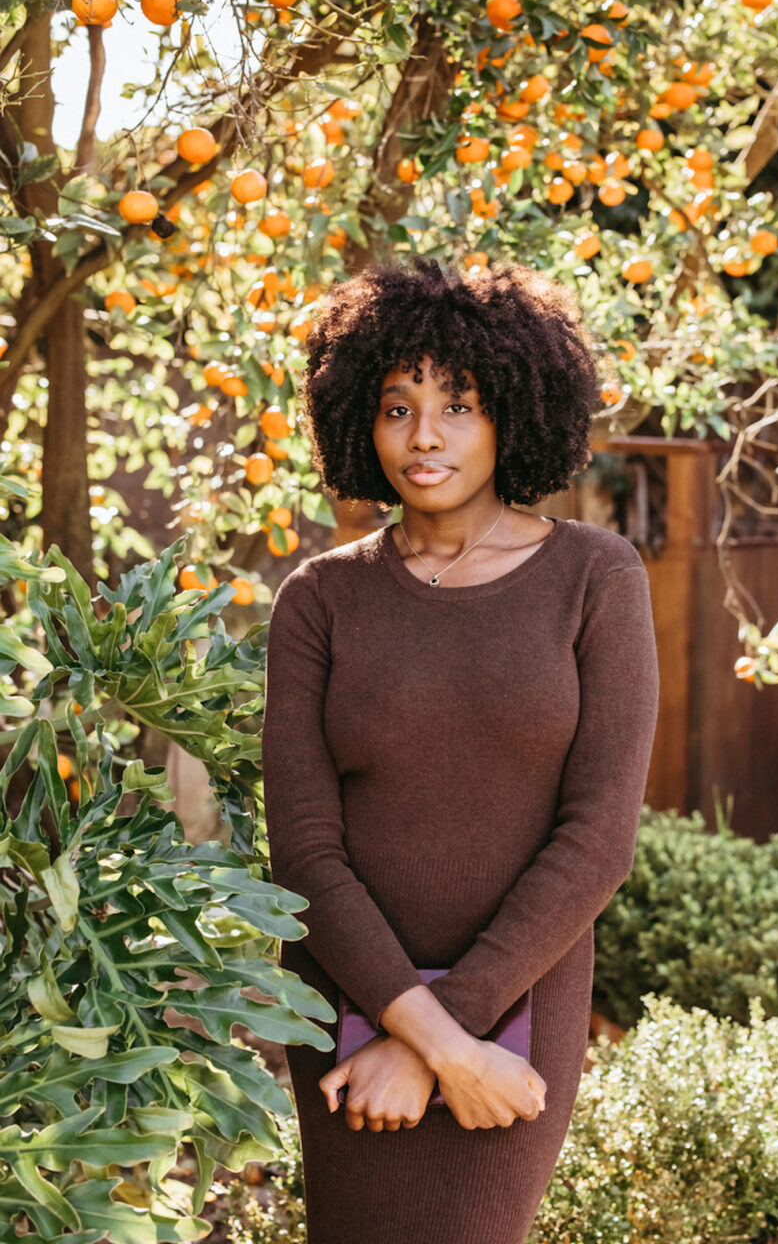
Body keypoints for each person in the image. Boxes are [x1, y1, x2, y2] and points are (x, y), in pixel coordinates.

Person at [261, 254, 660, 1244]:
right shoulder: (318, 600)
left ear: (513, 414)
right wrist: (418, 1030)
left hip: (521, 1005)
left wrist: (449, 1039)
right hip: (350, 1001)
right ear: (359, 416)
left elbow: (597, 841)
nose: (423, 435)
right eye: (396, 407)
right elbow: (304, 857)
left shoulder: (594, 579)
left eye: (457, 404)